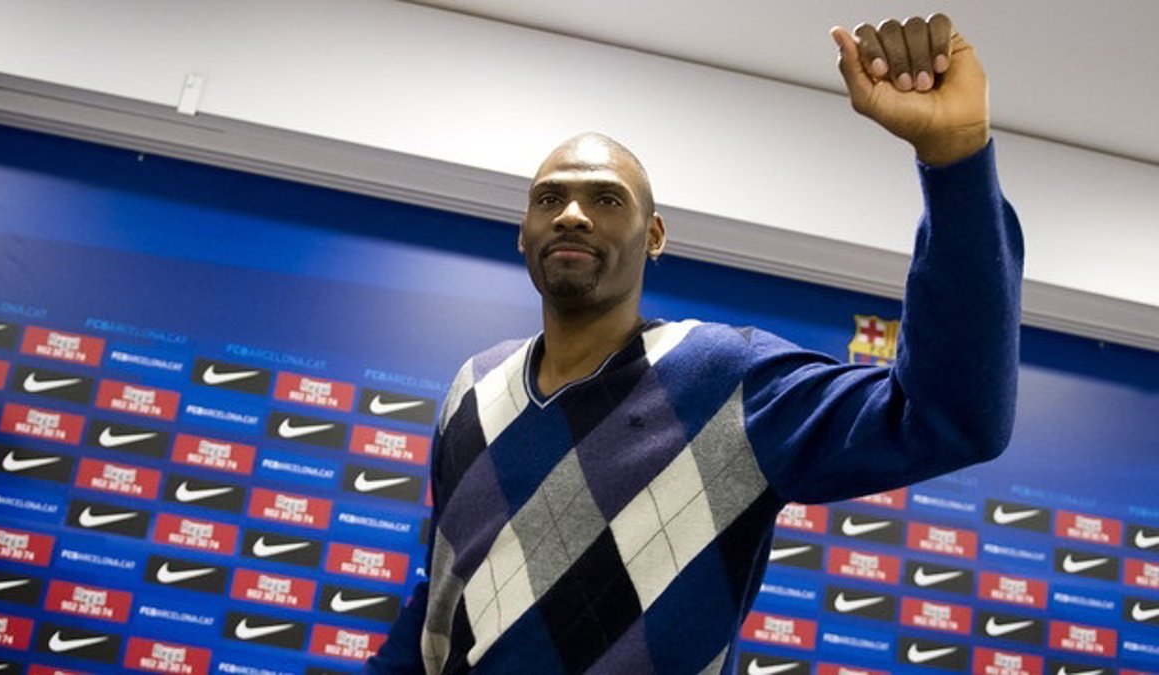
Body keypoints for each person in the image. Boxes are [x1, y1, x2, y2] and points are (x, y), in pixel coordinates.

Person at [366, 14, 1022, 675]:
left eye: (606, 199)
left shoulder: (723, 378)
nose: (572, 214)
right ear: (523, 232)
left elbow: (950, 418)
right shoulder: (473, 386)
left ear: (654, 236)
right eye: (549, 199)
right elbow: (440, 599)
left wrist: (956, 160)